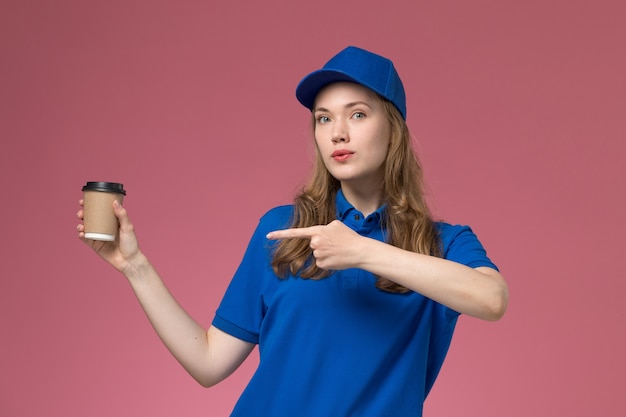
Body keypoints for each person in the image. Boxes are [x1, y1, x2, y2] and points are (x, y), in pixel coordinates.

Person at [77, 46, 508, 416]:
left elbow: (492, 299)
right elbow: (209, 363)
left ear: (393, 128)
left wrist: (362, 252)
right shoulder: (283, 231)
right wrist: (135, 266)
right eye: (324, 119)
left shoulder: (443, 243)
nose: (338, 132)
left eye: (357, 114)